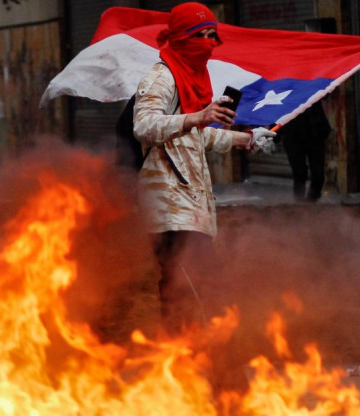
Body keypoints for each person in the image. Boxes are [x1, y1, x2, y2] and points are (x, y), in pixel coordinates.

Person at [132, 2, 276, 335]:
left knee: (188, 289)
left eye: (214, 36)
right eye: (202, 35)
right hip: (168, 205)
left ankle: (186, 364)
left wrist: (246, 139)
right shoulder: (162, 77)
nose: (211, 43)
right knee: (195, 287)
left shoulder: (191, 77)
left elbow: (195, 136)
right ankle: (196, 364)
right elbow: (145, 126)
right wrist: (199, 116)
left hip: (190, 205)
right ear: (182, 37)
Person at [277, 101, 331, 202]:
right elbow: (278, 111)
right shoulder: (286, 93)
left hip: (315, 134)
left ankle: (312, 201)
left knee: (318, 172)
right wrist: (274, 136)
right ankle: (300, 203)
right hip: (293, 137)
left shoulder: (311, 88)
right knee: (299, 172)